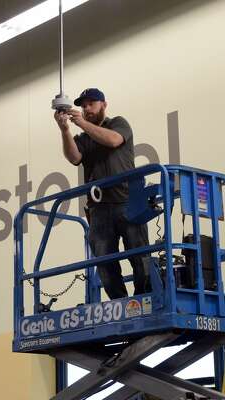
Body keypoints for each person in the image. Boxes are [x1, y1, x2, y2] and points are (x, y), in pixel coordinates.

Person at [54, 88, 149, 299]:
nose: (86, 108)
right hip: (99, 207)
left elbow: (114, 140)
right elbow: (74, 157)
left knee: (140, 256)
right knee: (104, 262)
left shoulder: (118, 123)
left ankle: (145, 300)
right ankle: (121, 305)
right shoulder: (84, 137)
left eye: (91, 103)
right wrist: (64, 130)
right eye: (83, 105)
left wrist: (81, 124)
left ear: (104, 104)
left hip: (128, 200)